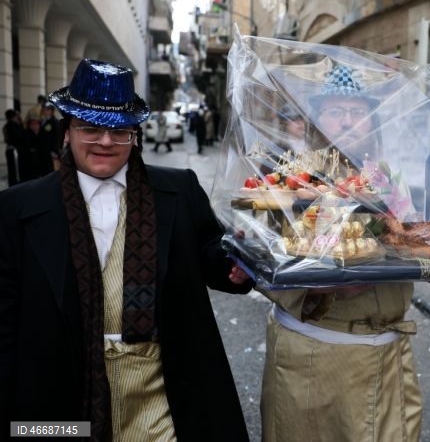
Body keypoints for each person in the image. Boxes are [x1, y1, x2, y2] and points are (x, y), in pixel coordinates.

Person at [0, 59, 251, 441]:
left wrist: (237, 264)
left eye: (119, 131)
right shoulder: (17, 209)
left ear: (135, 135)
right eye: (90, 128)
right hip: (59, 401)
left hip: (160, 397)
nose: (105, 141)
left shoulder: (178, 192)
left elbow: (213, 255)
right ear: (67, 131)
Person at [231, 63, 430, 442]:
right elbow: (264, 260)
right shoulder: (290, 181)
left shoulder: (387, 179)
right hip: (314, 360)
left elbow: (413, 246)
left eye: (357, 112)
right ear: (318, 120)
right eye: (335, 112)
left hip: (389, 359)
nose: (348, 121)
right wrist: (318, 284)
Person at [2, 109, 22, 187]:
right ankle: (16, 184)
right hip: (15, 150)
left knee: (11, 169)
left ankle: (12, 184)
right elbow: (19, 137)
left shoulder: (6, 126)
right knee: (16, 169)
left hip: (9, 150)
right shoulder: (14, 125)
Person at [41, 102, 62, 170]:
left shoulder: (54, 122)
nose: (46, 111)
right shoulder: (43, 121)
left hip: (51, 151)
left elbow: (57, 137)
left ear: (52, 111)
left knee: (52, 170)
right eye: (44, 109)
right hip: (44, 150)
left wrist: (55, 150)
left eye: (48, 109)